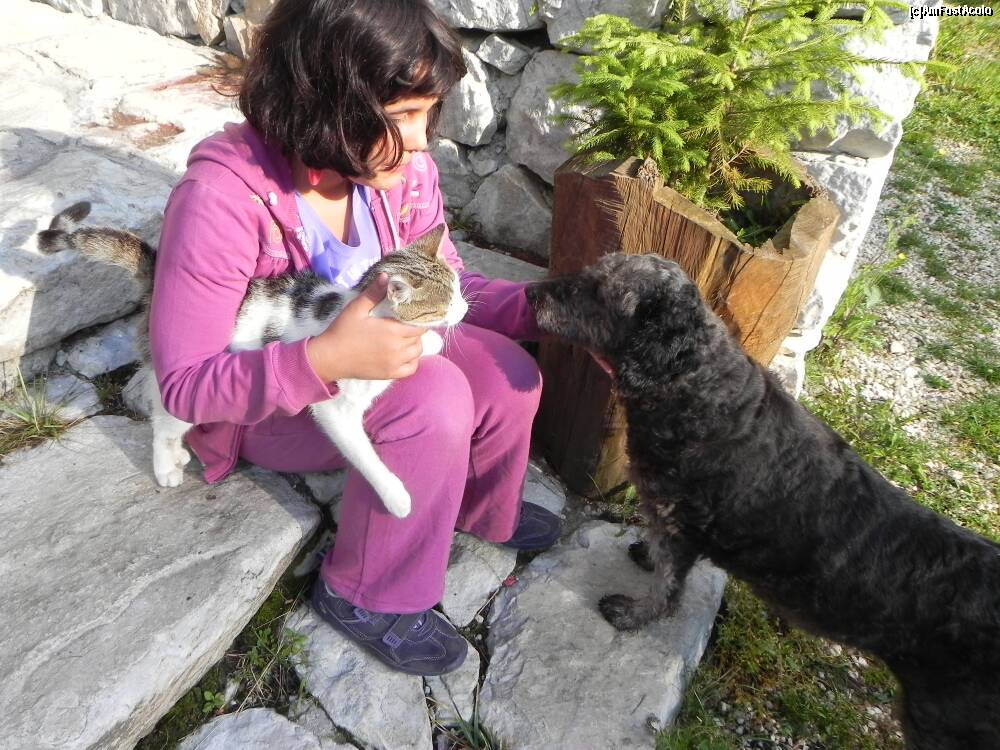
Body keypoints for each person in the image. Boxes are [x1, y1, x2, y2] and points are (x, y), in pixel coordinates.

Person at [148, 0, 561, 676]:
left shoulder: (399, 172)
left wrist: (545, 310)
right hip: (268, 407)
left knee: (507, 371)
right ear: (326, 102)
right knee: (432, 396)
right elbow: (185, 385)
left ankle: (477, 505)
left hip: (362, 368)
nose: (423, 140)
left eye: (428, 111)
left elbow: (449, 284)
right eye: (403, 115)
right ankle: (367, 590)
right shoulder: (222, 199)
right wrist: (325, 358)